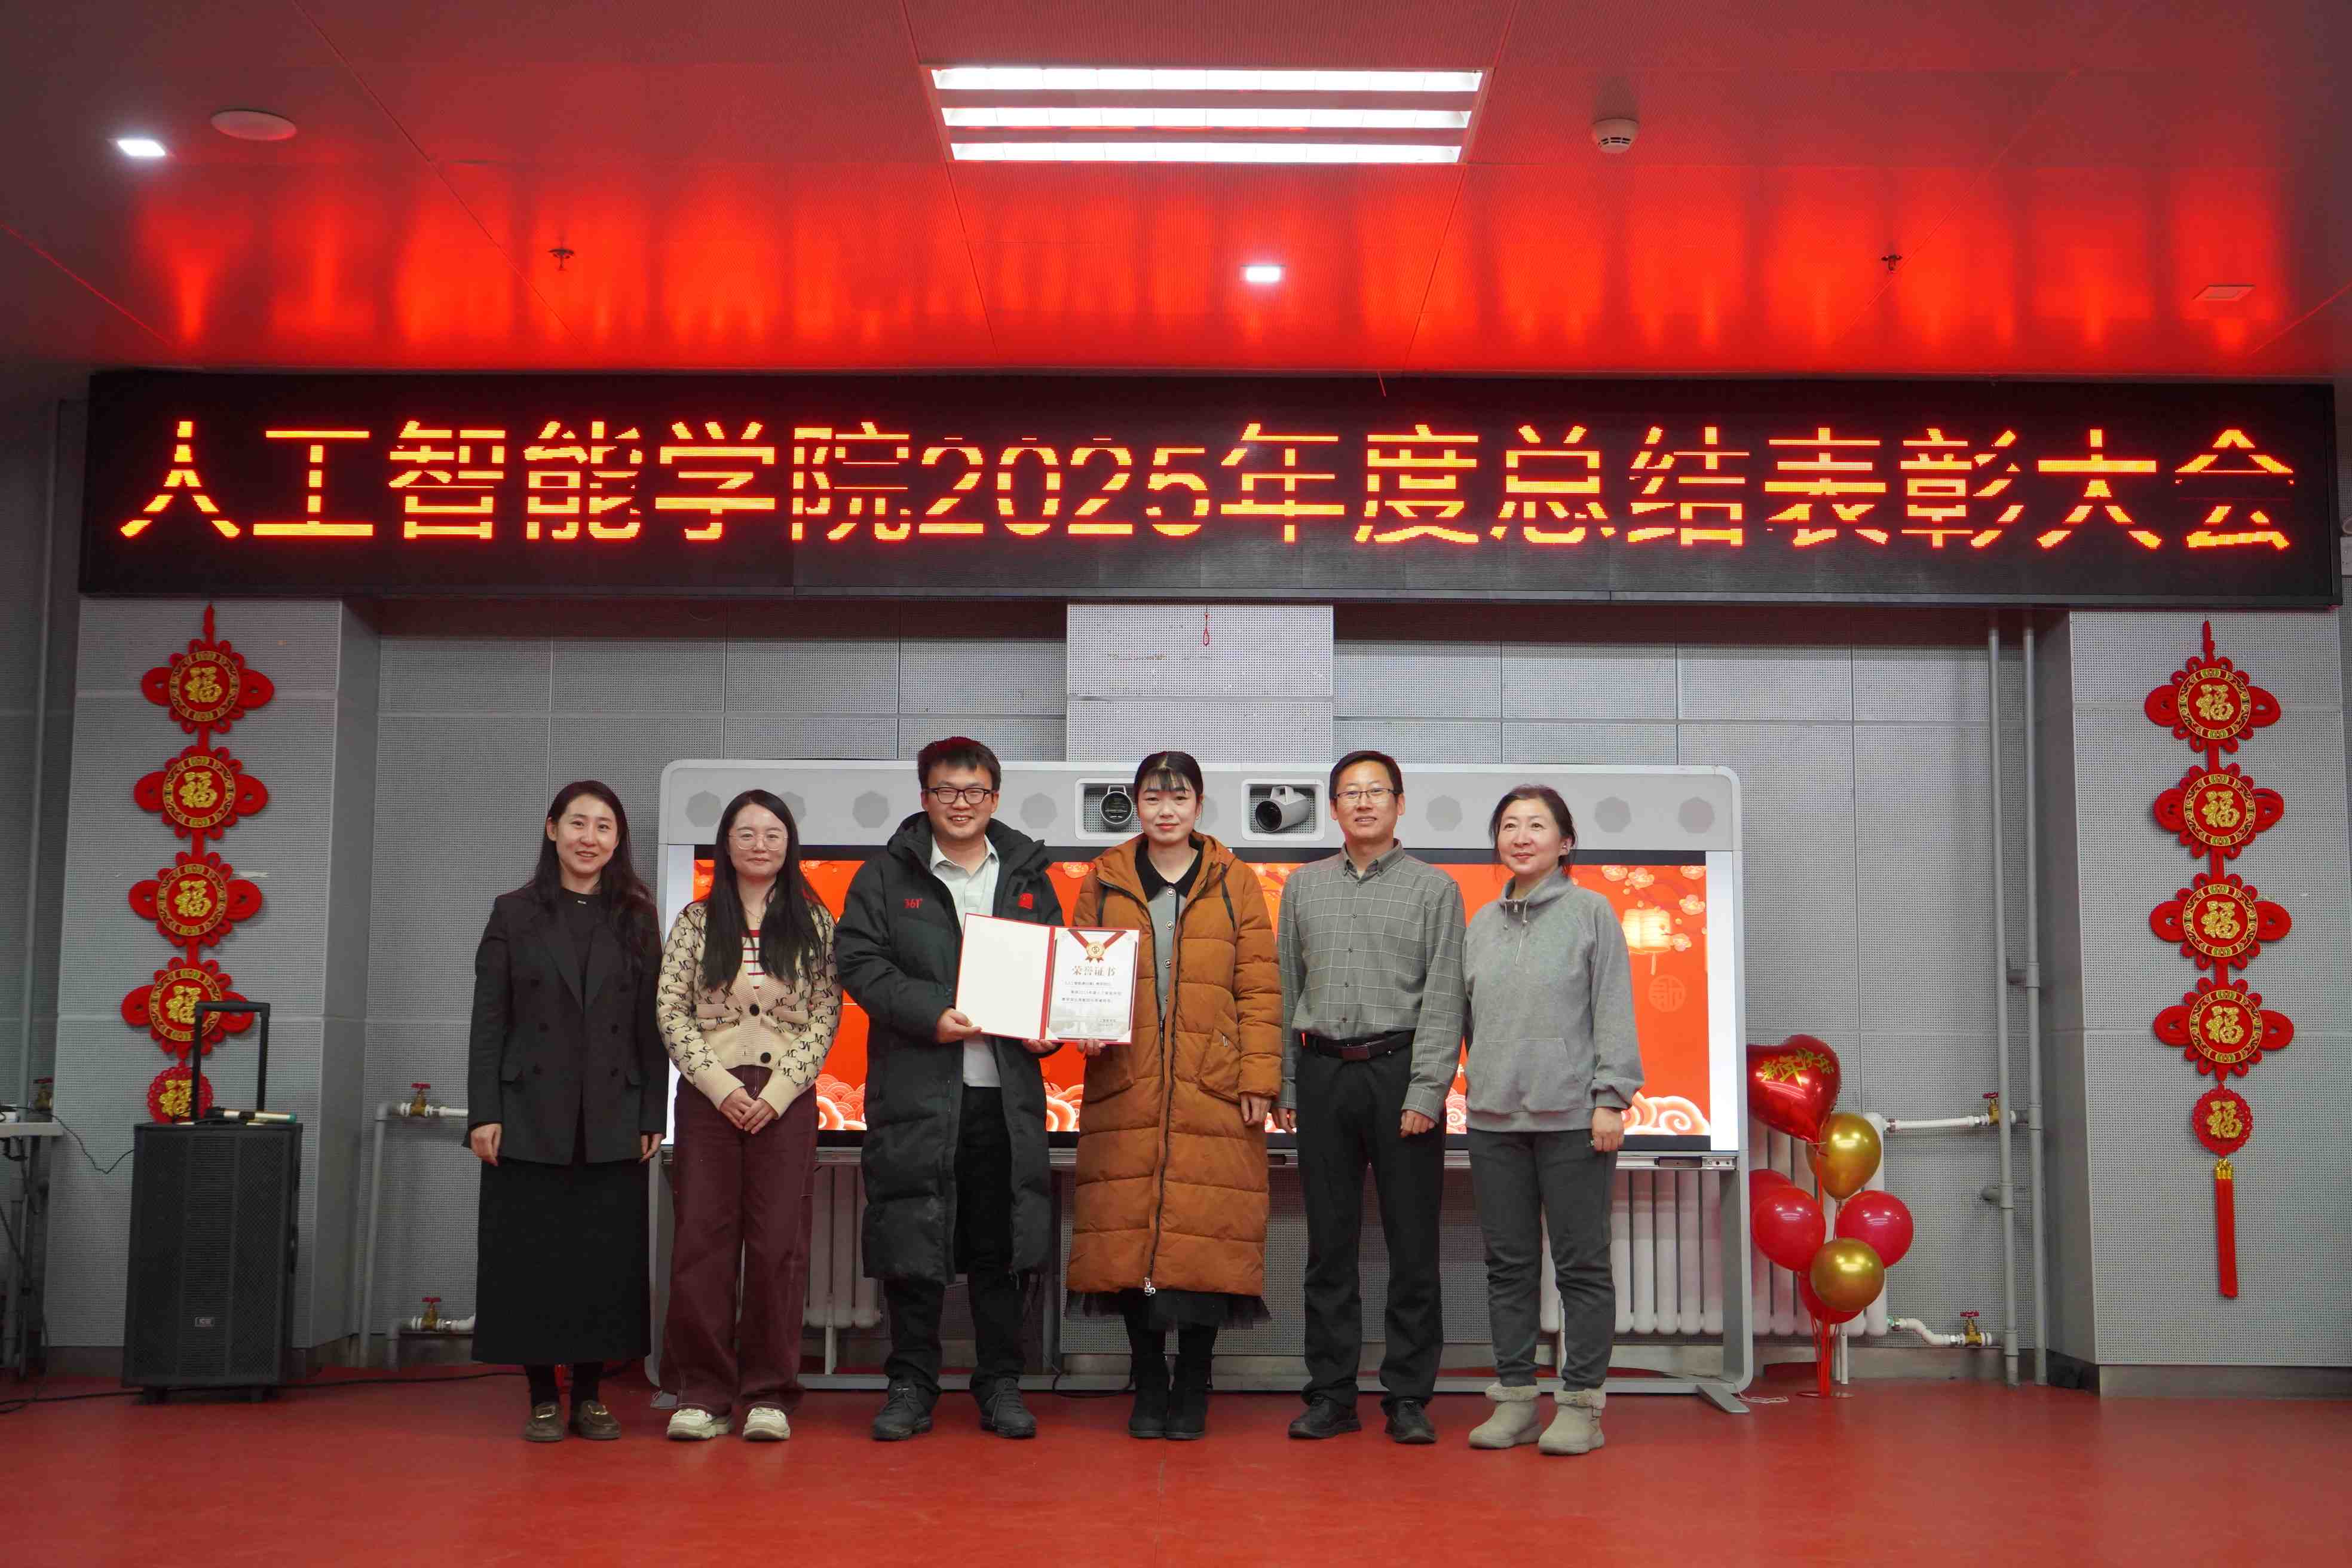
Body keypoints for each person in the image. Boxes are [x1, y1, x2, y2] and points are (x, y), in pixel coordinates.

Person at [836, 736, 1065, 1442]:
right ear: (925, 796)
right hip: (918, 1091)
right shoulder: (885, 874)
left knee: (1001, 1244)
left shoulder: (1028, 874)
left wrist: (1050, 1030)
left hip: (1005, 1097)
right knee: (914, 1239)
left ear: (994, 797)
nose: (960, 803)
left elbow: (1054, 968)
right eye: (945, 790)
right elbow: (858, 960)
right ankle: (910, 1383)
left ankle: (1001, 1382)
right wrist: (931, 1011)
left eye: (974, 791)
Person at [1065, 751, 1282, 1441]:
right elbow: (1078, 971)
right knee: (1128, 1236)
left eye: (1179, 796)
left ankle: (1193, 1381)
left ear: (1199, 805)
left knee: (1205, 1237)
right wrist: (1080, 1023)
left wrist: (1259, 1077)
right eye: (1154, 797)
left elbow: (1260, 986)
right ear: (1136, 804)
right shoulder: (1104, 878)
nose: (1166, 809)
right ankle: (1148, 1379)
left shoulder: (1234, 880)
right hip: (1125, 1079)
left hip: (1213, 1086)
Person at [467, 781, 666, 1443]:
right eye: (578, 823)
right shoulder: (513, 912)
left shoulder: (636, 916)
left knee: (602, 1261)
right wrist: (484, 1111)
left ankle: (589, 1395)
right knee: (531, 1257)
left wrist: (652, 1111)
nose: (590, 837)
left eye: (604, 826)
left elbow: (651, 1026)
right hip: (527, 1111)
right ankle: (540, 1396)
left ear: (618, 839)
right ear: (552, 829)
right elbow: (489, 1021)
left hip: (613, 1112)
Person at [1278, 749, 1466, 1445]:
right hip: (1321, 1071)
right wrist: (1286, 1081)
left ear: (1399, 802)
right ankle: (1331, 1393)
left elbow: (1445, 995)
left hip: (1400, 1072)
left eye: (1375, 790)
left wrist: (1428, 1089)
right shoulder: (1302, 886)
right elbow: (1285, 988)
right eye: (1349, 793)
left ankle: (1409, 1396)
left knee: (1412, 1245)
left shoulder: (1436, 889)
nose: (1363, 802)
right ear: (1332, 807)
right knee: (1329, 1247)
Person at [1461, 785, 1642, 1455]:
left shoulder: (1593, 912)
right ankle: (1515, 1401)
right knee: (1507, 1267)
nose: (1521, 836)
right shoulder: (1480, 924)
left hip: (1573, 1119)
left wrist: (1610, 1098)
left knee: (1581, 1266)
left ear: (1565, 842)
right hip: (1493, 1120)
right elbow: (1468, 1021)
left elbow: (1613, 1008)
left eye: (1537, 825)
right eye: (1509, 825)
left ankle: (1582, 1406)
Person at [655, 788, 840, 1441]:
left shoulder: (813, 921)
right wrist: (716, 1083)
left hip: (785, 1101)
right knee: (701, 1241)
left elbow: (826, 1013)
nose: (760, 845)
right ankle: (702, 1393)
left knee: (777, 1246)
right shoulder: (696, 921)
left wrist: (780, 1090)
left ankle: (769, 1393)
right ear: (726, 844)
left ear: (789, 845)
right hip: (709, 1100)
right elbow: (670, 1009)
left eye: (772, 834)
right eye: (746, 833)